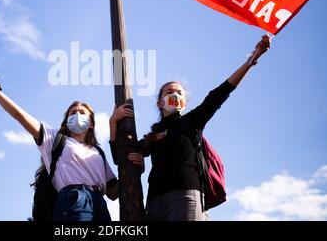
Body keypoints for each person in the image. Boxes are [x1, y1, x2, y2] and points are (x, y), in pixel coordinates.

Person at [109, 35, 271, 221]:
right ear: (160, 102)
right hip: (154, 203)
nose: (175, 94)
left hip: (185, 197)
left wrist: (251, 61)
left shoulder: (191, 121)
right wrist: (113, 123)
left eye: (179, 93)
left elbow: (220, 93)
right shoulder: (152, 136)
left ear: (184, 103)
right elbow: (119, 156)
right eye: (170, 92)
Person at [0, 81, 143, 221]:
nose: (77, 115)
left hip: (100, 203)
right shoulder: (53, 139)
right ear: (66, 121)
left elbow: (113, 193)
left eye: (82, 112)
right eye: (72, 113)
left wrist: (134, 170)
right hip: (73, 199)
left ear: (91, 123)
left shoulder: (98, 152)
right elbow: (18, 114)